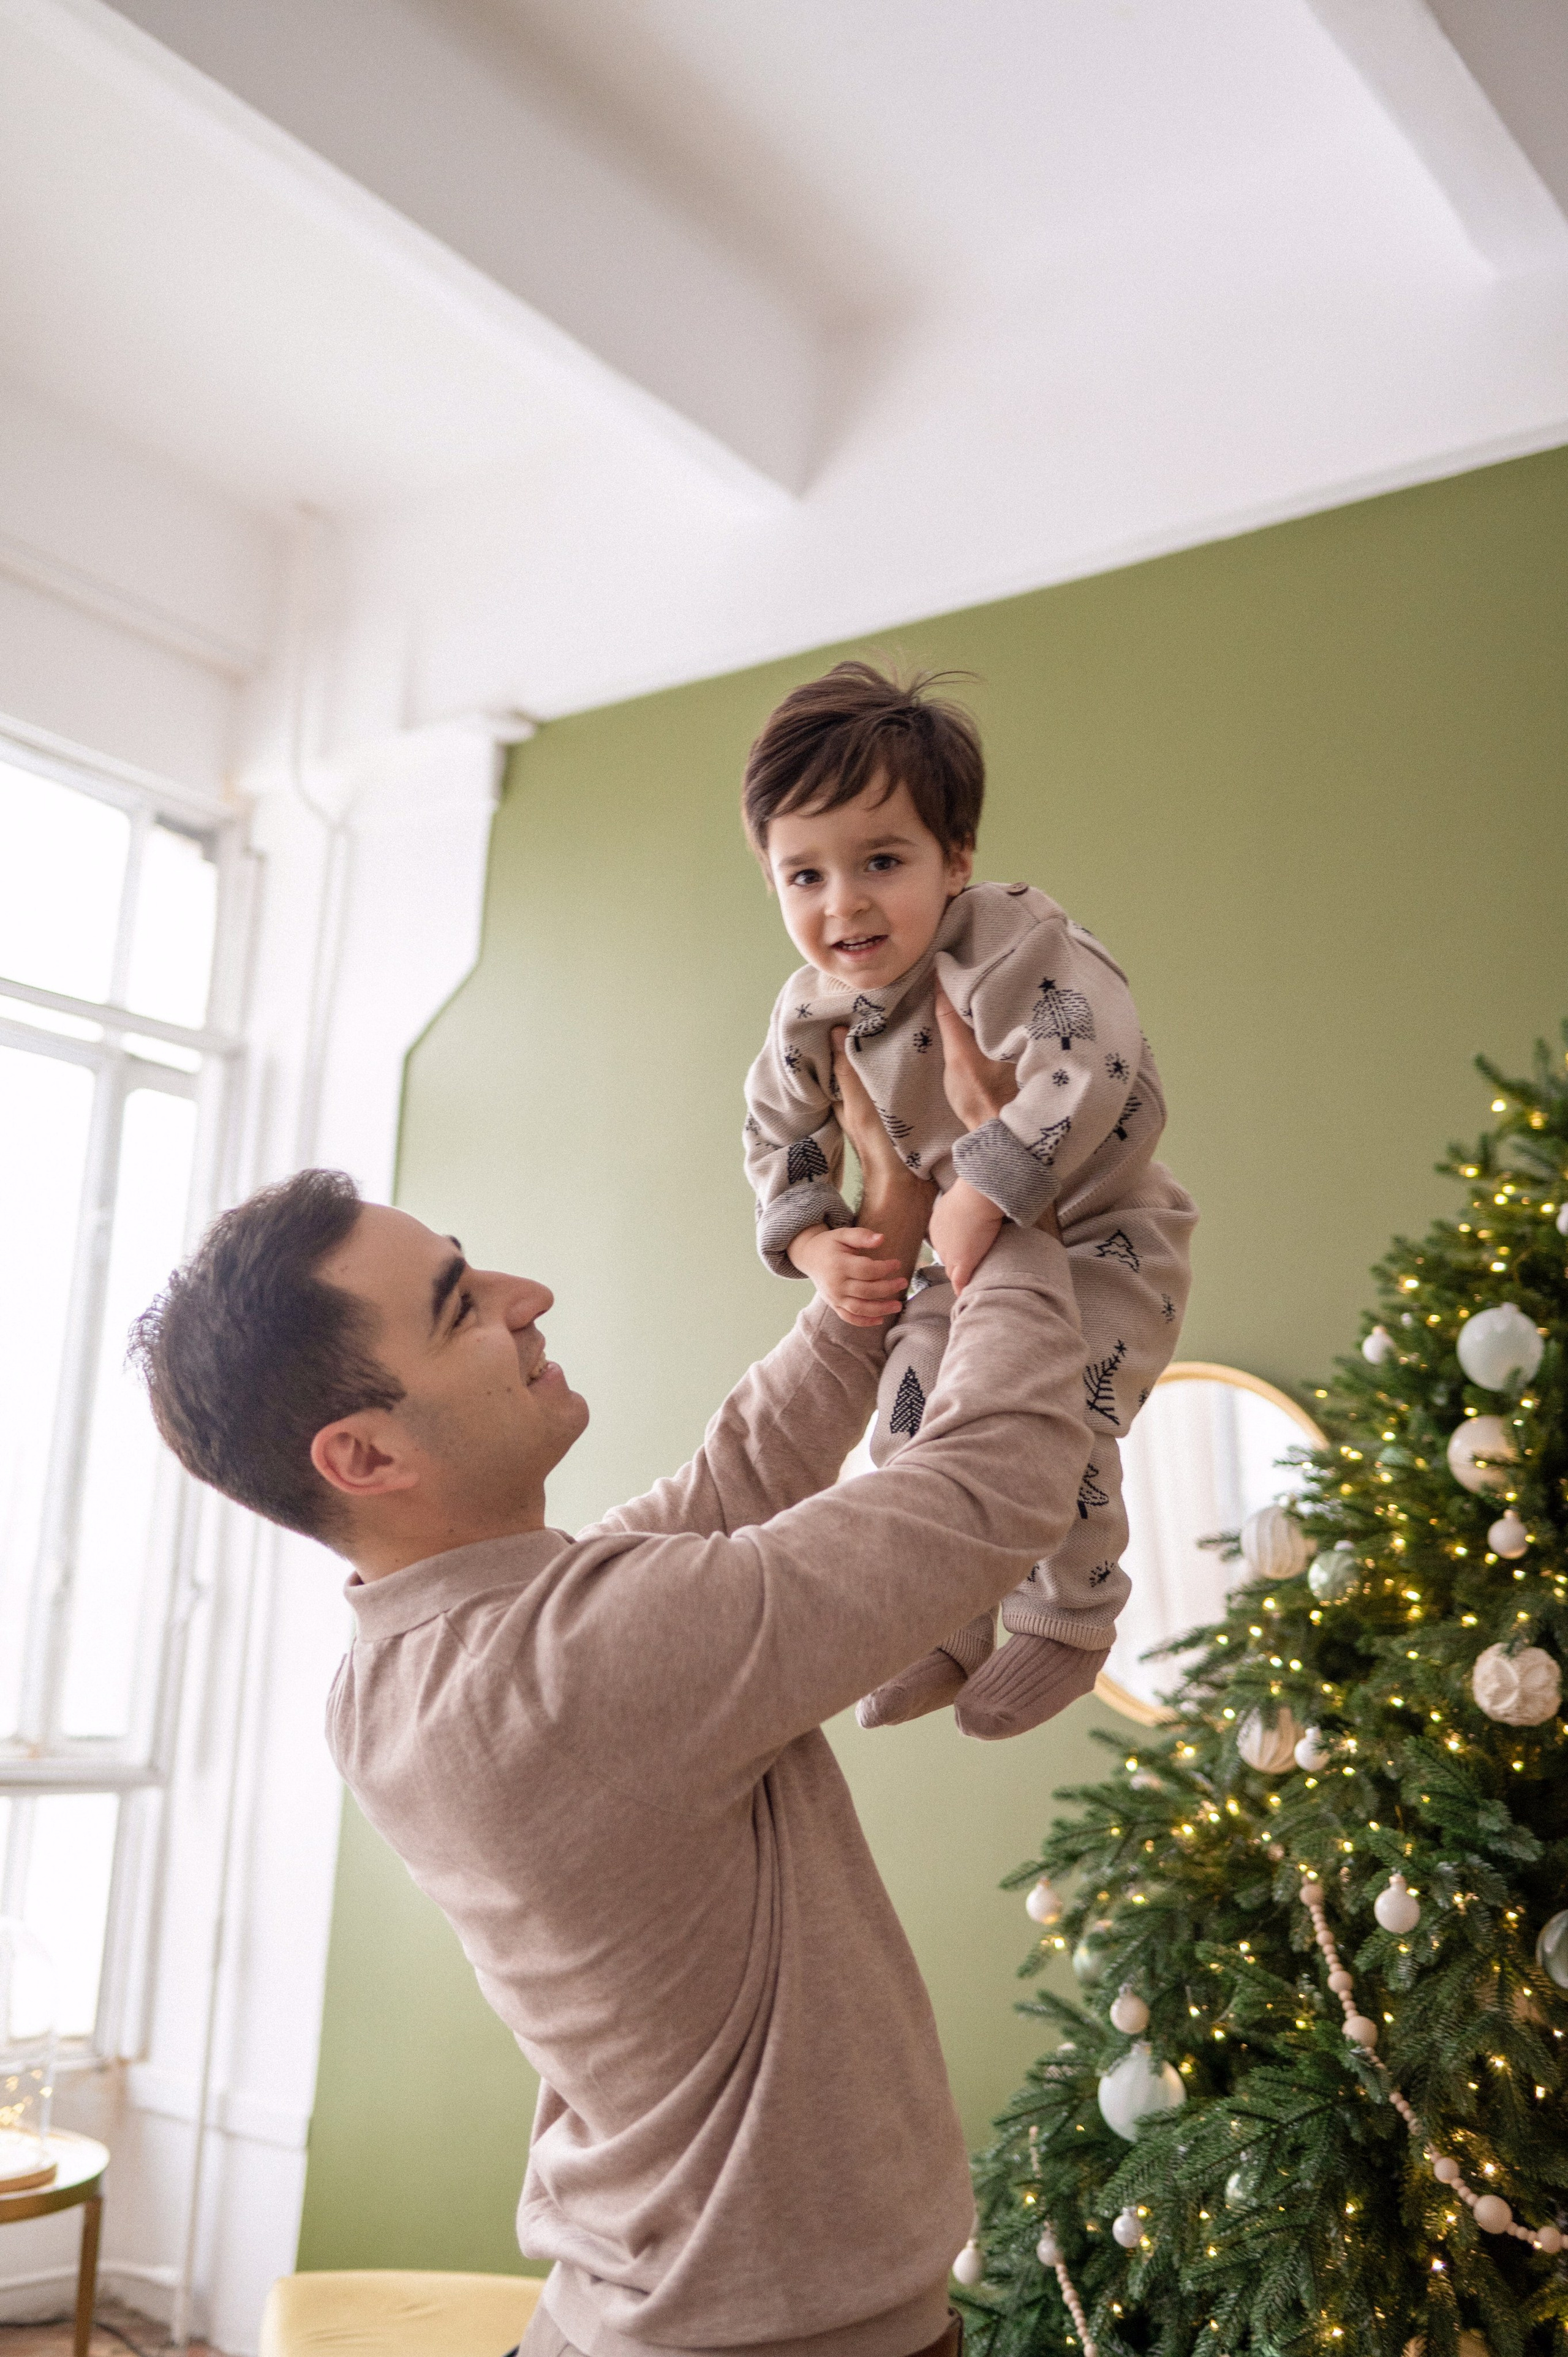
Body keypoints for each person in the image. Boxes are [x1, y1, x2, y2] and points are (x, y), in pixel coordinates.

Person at [130, 1019, 1098, 2357]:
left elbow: (723, 1490)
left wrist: (863, 1276)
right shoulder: (576, 1667)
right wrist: (1010, 1207)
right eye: (462, 1304)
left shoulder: (403, 1664)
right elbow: (993, 1489)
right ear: (361, 1454)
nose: (527, 1294)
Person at [741, 661, 1197, 1738]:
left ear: (956, 862)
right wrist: (814, 1244)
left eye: (882, 861)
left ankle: (1070, 1616)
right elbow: (776, 1131)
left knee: (1061, 1418)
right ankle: (938, 1617)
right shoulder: (809, 1014)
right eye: (804, 877)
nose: (843, 903)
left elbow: (1090, 1061)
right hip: (953, 1263)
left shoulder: (1007, 944)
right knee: (908, 1437)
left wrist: (989, 1181)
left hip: (1102, 1241)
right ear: (772, 883)